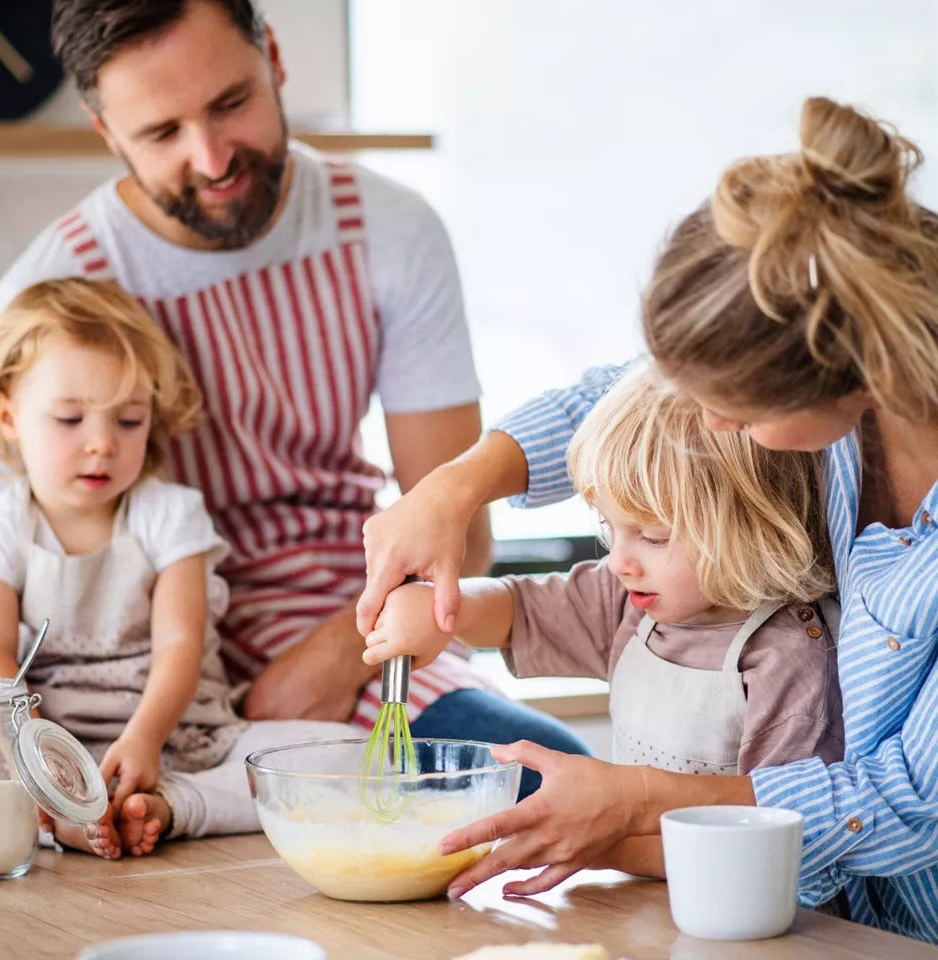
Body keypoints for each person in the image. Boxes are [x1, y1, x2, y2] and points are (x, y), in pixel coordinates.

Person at [355, 97, 938, 942]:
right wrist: (452, 488)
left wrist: (631, 807)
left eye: (736, 409)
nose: (711, 426)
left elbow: (912, 800)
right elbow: (621, 401)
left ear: (848, 368)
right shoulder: (829, 383)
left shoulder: (783, 655)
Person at [0, 0, 589, 789]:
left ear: (273, 58)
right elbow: (2, 569)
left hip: (354, 616)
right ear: (106, 131)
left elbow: (459, 535)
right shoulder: (55, 289)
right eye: (161, 134)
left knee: (554, 780)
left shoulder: (387, 230)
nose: (211, 159)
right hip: (134, 681)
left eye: (231, 102)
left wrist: (338, 655)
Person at [361, 361, 843, 892]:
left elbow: (771, 843)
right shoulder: (630, 601)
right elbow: (518, 610)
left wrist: (598, 844)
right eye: (609, 528)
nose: (619, 561)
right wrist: (439, 610)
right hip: (644, 901)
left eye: (653, 536)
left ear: (755, 525)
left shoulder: (787, 659)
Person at [0, 277, 358, 859]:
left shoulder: (171, 514)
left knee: (353, 751)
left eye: (129, 421)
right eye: (70, 419)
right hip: (51, 744)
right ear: (9, 416)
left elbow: (181, 646)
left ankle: (173, 804)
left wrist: (145, 738)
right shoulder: (0, 527)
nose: (102, 443)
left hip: (181, 736)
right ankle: (66, 813)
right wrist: (34, 760)